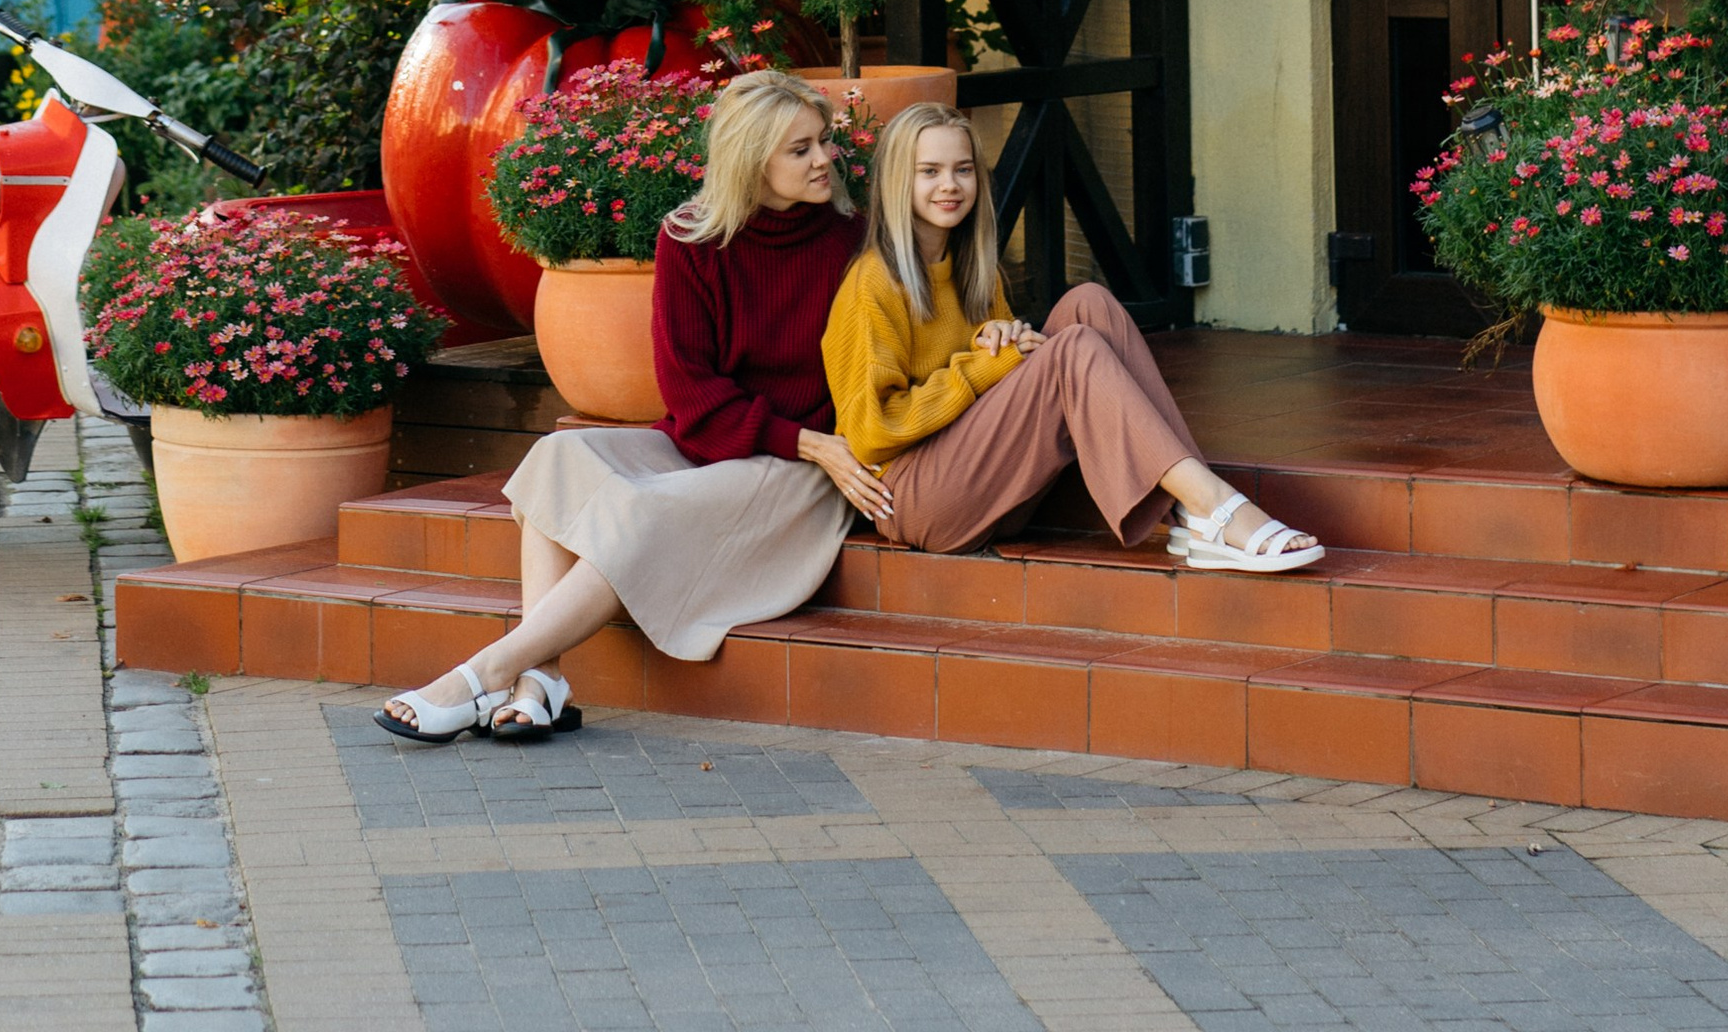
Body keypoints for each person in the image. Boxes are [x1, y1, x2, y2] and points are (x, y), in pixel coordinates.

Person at [377, 68, 890, 743]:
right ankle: (543, 679)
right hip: (721, 441)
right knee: (558, 457)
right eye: (801, 149)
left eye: (823, 141)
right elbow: (690, 392)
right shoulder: (690, 239)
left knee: (645, 509)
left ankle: (485, 673)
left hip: (803, 470)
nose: (825, 158)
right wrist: (797, 438)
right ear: (750, 159)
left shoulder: (851, 242)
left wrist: (815, 444)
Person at [821, 103, 1323, 572]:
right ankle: (1214, 505)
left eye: (963, 169)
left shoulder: (973, 268)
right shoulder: (873, 283)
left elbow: (994, 374)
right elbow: (871, 431)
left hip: (979, 478)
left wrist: (996, 341)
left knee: (1090, 303)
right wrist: (982, 366)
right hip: (915, 499)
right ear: (896, 181)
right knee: (1073, 350)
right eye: (929, 171)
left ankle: (1189, 512)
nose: (950, 185)